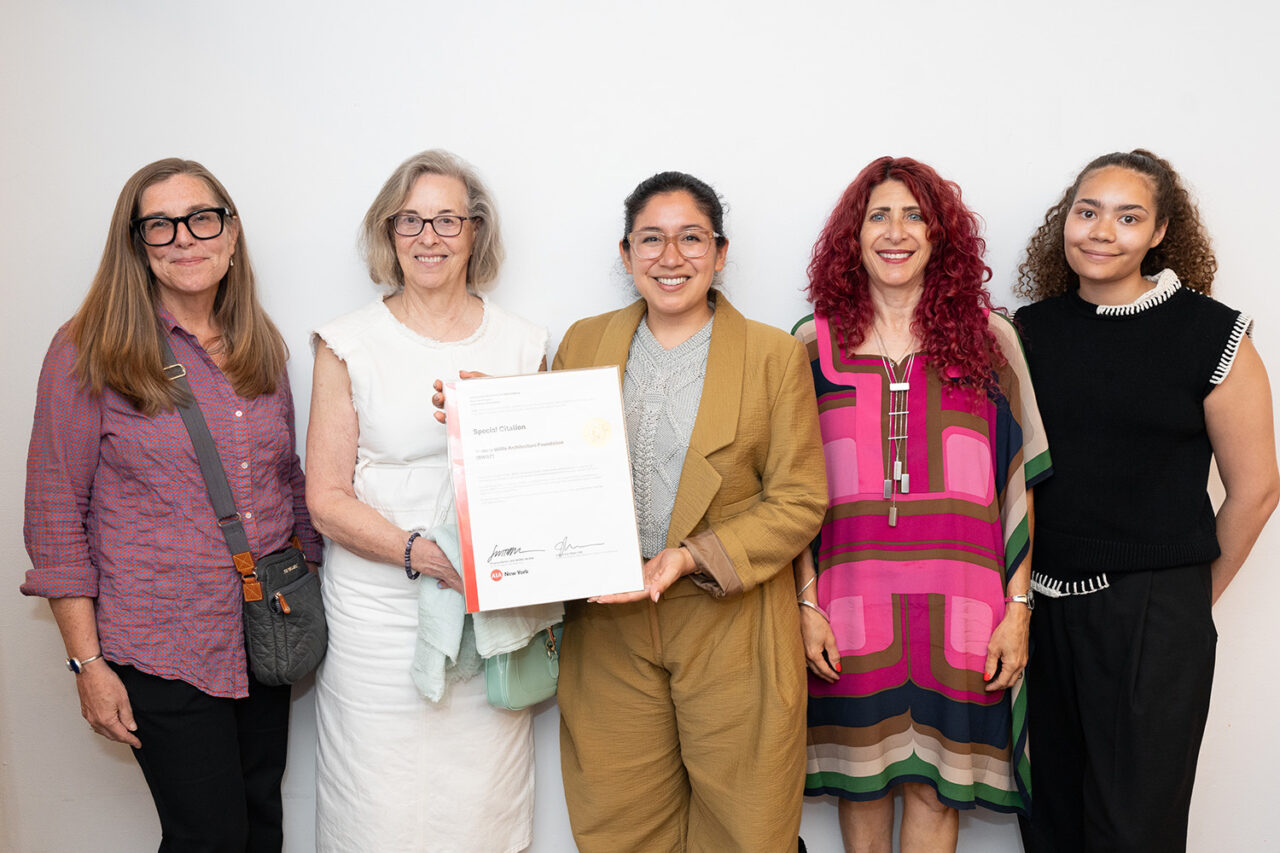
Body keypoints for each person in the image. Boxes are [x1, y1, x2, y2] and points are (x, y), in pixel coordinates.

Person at [22, 157, 321, 852]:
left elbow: (284, 478)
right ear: (138, 244)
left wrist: (313, 575)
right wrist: (87, 665)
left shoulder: (259, 345)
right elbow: (55, 516)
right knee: (208, 836)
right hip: (160, 644)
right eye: (161, 225)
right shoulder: (86, 351)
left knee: (260, 824)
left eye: (201, 218)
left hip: (263, 631)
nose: (185, 238)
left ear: (231, 233)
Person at [543, 171, 827, 851]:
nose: (671, 257)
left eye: (691, 238)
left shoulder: (773, 356)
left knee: (746, 821)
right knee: (619, 820)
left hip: (728, 620)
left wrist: (690, 555)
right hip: (608, 621)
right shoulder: (583, 342)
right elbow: (553, 463)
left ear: (721, 252)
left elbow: (799, 497)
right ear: (625, 253)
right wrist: (488, 416)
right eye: (652, 239)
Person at [1013, 149, 1279, 852]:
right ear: (1063, 222)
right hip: (1038, 611)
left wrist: (1187, 600)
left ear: (1161, 232)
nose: (1102, 231)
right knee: (1049, 820)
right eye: (1087, 211)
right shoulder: (1028, 332)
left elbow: (1256, 490)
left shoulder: (1210, 332)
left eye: (1128, 216)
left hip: (1155, 611)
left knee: (1134, 830)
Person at [792, 156, 1051, 853]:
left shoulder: (990, 341)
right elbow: (790, 490)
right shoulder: (810, 347)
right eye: (879, 214)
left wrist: (1018, 612)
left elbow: (1017, 485)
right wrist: (805, 603)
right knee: (863, 788)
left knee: (938, 790)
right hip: (849, 608)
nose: (896, 231)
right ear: (854, 235)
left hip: (965, 606)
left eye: (914, 215)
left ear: (941, 236)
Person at [305, 150, 548, 852]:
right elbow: (325, 497)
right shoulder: (346, 342)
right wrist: (422, 554)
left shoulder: (524, 343)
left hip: (488, 622)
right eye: (409, 219)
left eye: (446, 219)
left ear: (476, 231)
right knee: (373, 812)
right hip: (375, 625)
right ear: (388, 233)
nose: (428, 236)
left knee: (482, 811)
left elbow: (546, 484)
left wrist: (502, 413)